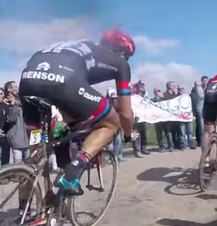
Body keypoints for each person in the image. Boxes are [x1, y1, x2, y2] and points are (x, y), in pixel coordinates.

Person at [18, 29, 136, 197]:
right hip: (64, 81)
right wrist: (128, 134)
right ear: (122, 52)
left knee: (36, 154)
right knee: (112, 122)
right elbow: (126, 114)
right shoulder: (120, 62)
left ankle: (26, 206)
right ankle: (72, 172)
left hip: (28, 81)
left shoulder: (81, 46)